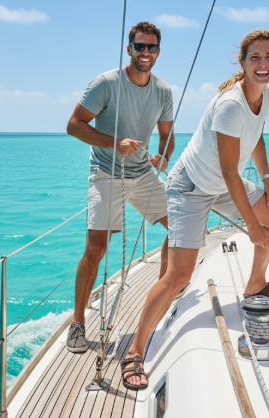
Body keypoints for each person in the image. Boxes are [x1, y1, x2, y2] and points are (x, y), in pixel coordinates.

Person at [121, 29, 269, 390]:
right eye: (255, 58)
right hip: (192, 186)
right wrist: (250, 225)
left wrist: (266, 182)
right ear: (243, 63)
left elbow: (257, 134)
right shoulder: (231, 105)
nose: (263, 65)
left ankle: (256, 283)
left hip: (220, 183)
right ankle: (135, 350)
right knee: (179, 276)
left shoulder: (268, 94)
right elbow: (230, 172)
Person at [65, 21, 175, 354]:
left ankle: (164, 297)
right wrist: (115, 143)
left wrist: (164, 156)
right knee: (96, 248)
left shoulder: (163, 92)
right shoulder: (106, 84)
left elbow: (167, 136)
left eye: (151, 47)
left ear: (158, 52)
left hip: (143, 174)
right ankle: (78, 323)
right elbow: (73, 126)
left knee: (183, 225)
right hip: (106, 173)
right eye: (139, 46)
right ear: (129, 49)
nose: (145, 52)